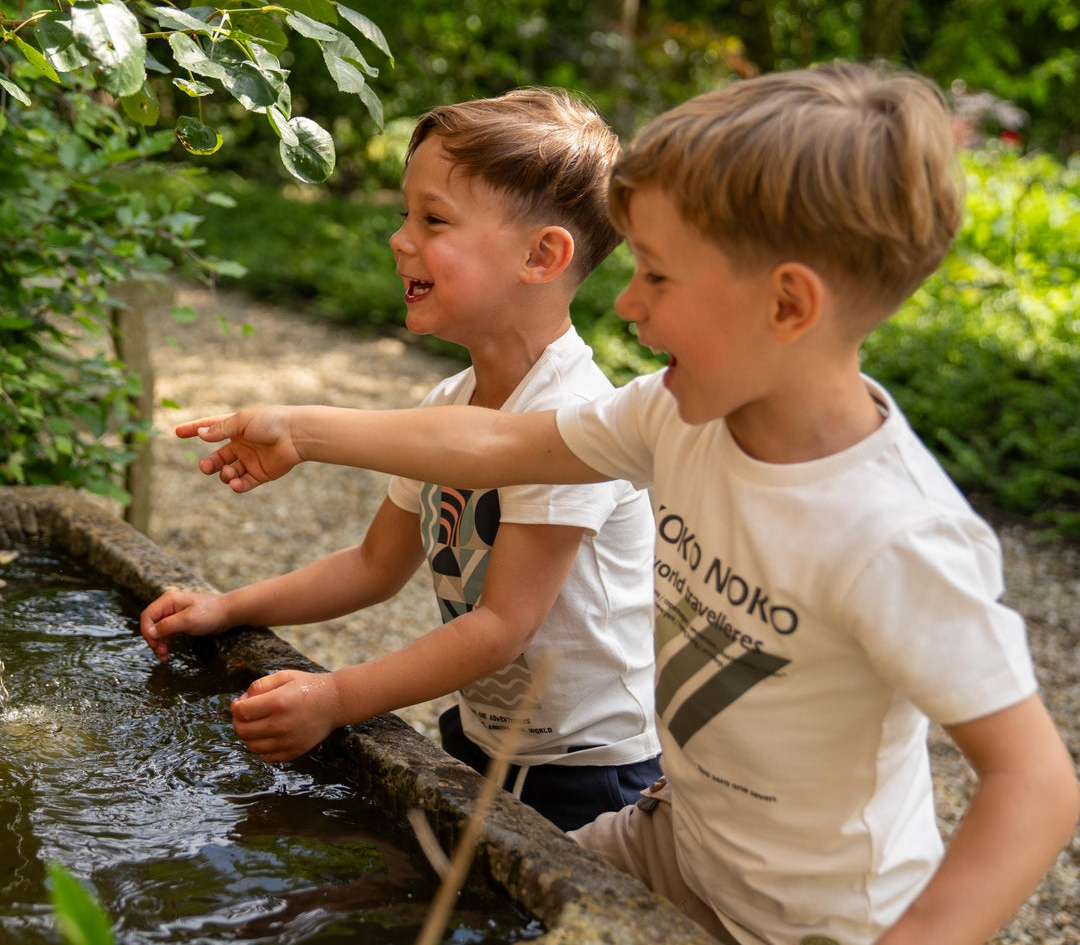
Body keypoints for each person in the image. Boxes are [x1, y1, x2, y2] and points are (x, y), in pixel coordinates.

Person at [169, 62, 1079, 945]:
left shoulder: (895, 532)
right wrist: (301, 428)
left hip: (815, 923)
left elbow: (1035, 782)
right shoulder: (669, 415)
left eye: (659, 276)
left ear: (789, 303)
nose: (630, 303)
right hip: (670, 843)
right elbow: (490, 444)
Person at [141, 88, 662, 832]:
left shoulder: (572, 417)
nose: (400, 239)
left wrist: (337, 698)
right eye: (404, 216)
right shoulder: (450, 400)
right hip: (483, 738)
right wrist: (227, 607)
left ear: (541, 255)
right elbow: (374, 565)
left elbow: (501, 628)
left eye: (434, 220)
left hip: (585, 773)